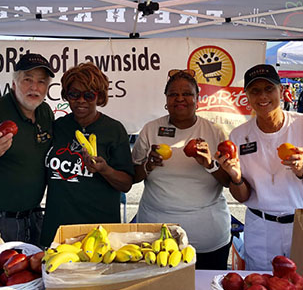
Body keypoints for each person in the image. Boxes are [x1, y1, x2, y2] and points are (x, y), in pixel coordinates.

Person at [132, 69, 231, 270]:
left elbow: (230, 181)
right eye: (173, 94)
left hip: (208, 236)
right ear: (166, 100)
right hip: (157, 235)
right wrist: (148, 165)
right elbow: (133, 177)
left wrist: (210, 165)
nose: (180, 99)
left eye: (187, 94)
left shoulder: (215, 132)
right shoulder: (150, 129)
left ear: (197, 99)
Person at [216, 64, 303, 271]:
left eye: (269, 89)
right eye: (255, 91)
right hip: (260, 225)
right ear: (246, 96)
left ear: (281, 91)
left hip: (299, 224)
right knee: (259, 286)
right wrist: (235, 178)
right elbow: (242, 196)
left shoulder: (300, 126)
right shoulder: (238, 136)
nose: (262, 96)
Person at [40, 62, 134, 247]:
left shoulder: (114, 130)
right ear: (66, 95)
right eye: (74, 94)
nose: (81, 100)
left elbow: (126, 184)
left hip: (99, 231)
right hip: (58, 229)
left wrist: (105, 170)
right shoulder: (57, 127)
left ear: (99, 97)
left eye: (89, 95)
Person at [0, 53, 54, 246]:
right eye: (27, 80)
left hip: (35, 216)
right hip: (3, 221)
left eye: (41, 82)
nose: (34, 87)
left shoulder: (45, 112)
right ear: (14, 84)